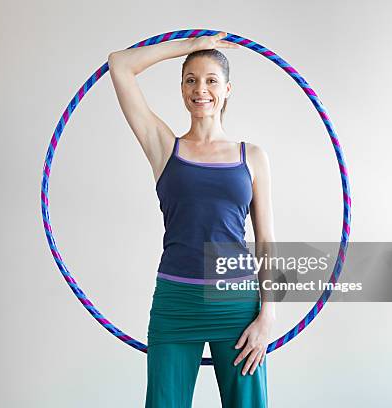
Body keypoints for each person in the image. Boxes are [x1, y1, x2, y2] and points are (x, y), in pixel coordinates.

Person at [108, 31, 277, 408]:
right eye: (191, 79)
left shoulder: (253, 157)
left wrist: (268, 314)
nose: (201, 89)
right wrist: (189, 45)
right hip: (175, 302)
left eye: (211, 80)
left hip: (236, 304)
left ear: (228, 89)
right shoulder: (165, 147)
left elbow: (266, 242)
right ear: (182, 88)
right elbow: (119, 64)